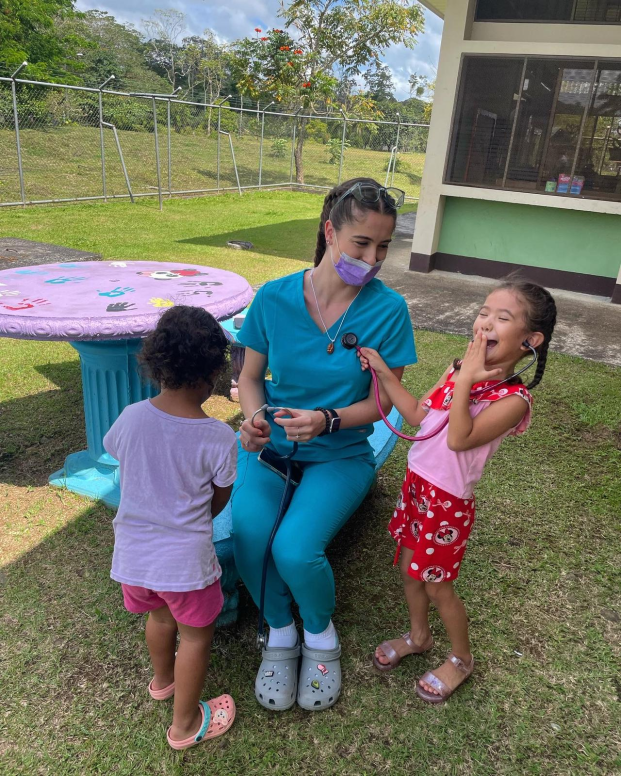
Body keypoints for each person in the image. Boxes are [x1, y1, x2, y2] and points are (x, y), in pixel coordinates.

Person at [232, 178, 417, 711]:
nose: (374, 258)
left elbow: (384, 402)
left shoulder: (388, 310)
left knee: (294, 548)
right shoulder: (274, 298)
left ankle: (320, 637)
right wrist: (252, 421)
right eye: (362, 243)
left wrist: (328, 419)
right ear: (330, 230)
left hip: (340, 453)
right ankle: (280, 632)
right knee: (248, 534)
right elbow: (249, 379)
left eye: (383, 247)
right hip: (272, 450)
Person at [362, 278, 557, 703]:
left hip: (447, 503)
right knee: (409, 569)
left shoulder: (514, 399)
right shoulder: (454, 371)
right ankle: (418, 637)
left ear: (531, 340)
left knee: (436, 586)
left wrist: (466, 378)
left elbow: (458, 438)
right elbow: (416, 414)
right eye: (484, 312)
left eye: (502, 318)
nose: (485, 323)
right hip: (417, 487)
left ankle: (461, 659)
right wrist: (381, 369)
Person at [103, 305, 237, 749]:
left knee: (160, 615)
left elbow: (123, 460)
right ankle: (184, 727)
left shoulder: (128, 417)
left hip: (134, 557)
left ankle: (162, 681)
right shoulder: (218, 437)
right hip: (186, 564)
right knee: (196, 636)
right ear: (214, 371)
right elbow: (217, 501)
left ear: (155, 362)